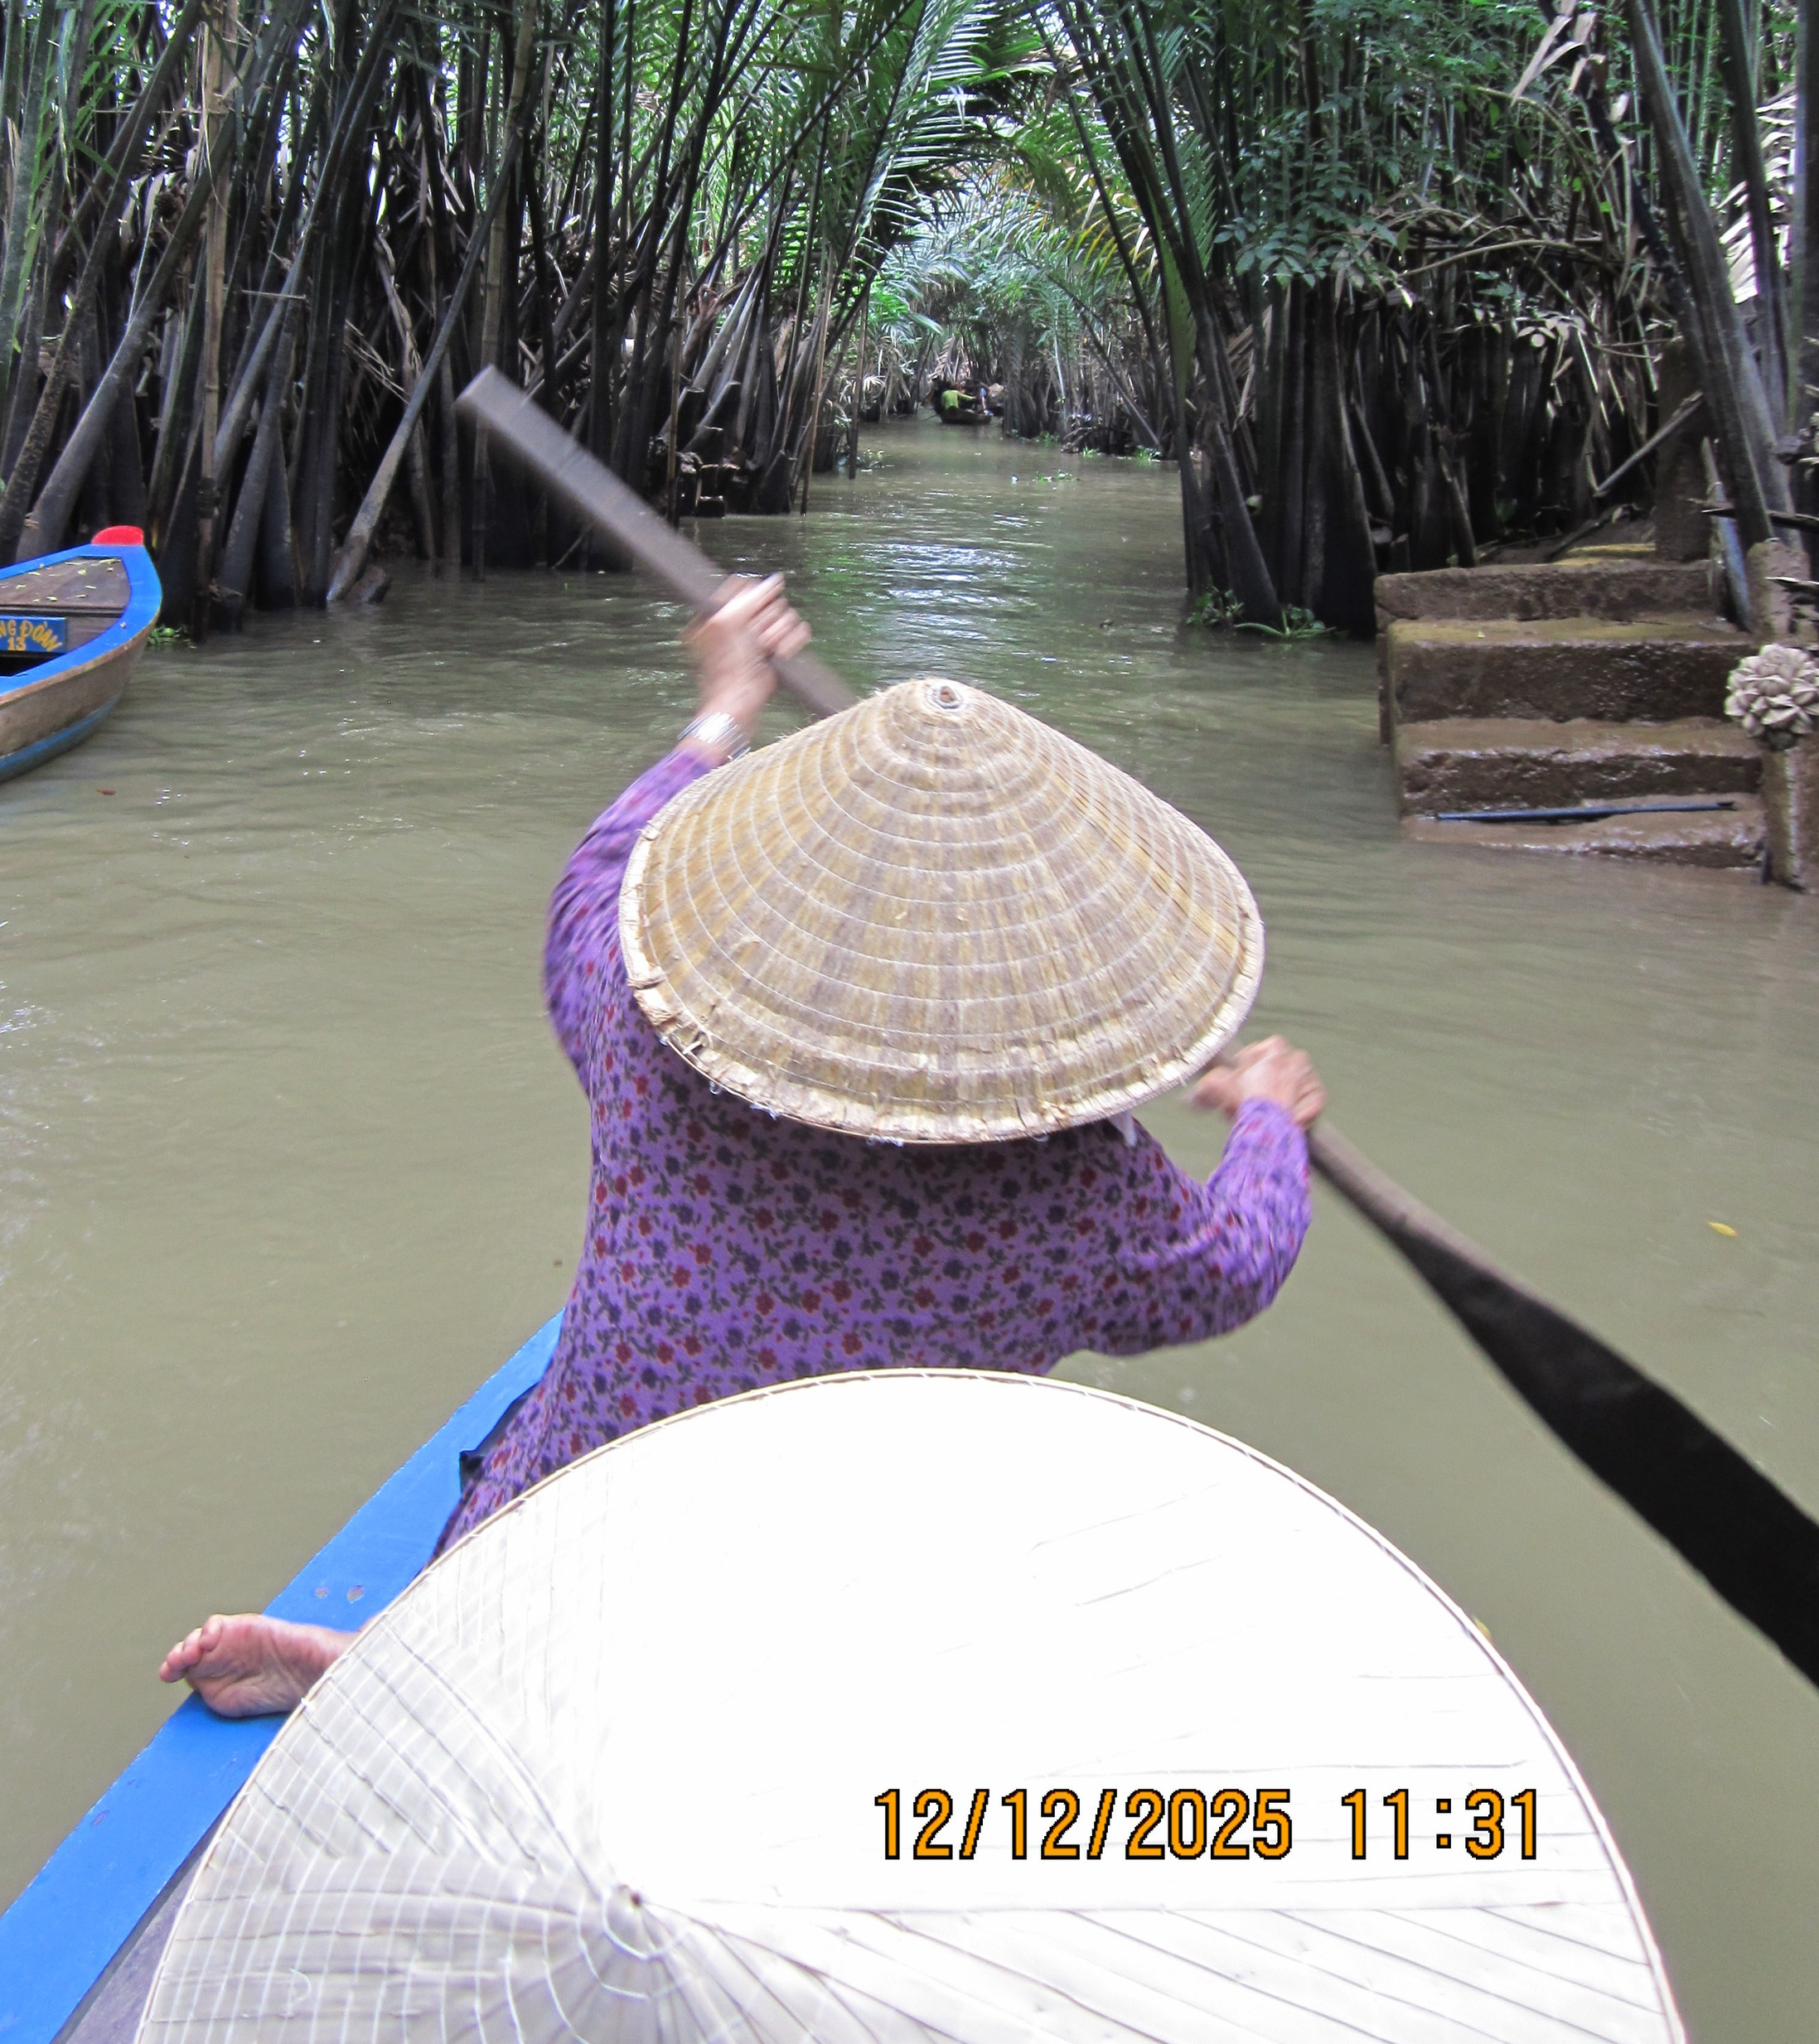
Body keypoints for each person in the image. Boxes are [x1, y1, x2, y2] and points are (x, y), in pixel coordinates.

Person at [162, 577, 1323, 1718]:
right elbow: (1233, 1260)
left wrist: (725, 705)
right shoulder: (1085, 1188)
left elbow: (594, 886)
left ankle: (391, 1661)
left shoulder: (650, 1037)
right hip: (830, 1640)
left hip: (560, 1572)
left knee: (548, 1490)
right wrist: (1269, 1118)